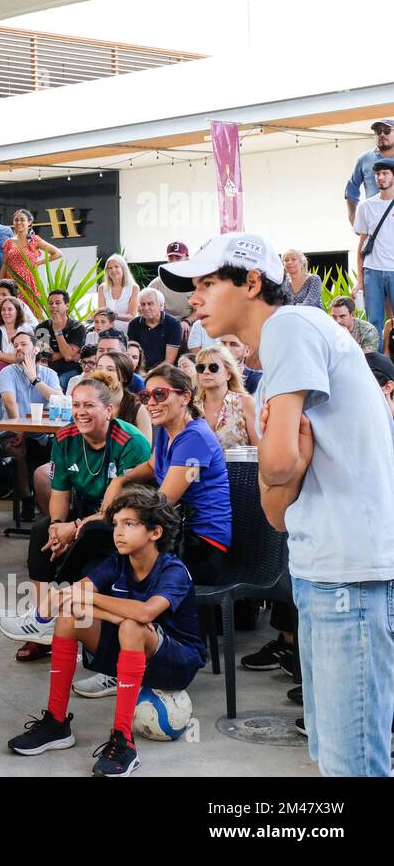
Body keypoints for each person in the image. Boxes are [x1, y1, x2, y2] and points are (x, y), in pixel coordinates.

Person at [162, 231, 394, 776]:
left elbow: (281, 464)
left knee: (352, 762)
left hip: (350, 574)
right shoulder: (275, 370)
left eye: (208, 283)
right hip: (322, 571)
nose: (195, 298)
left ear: (251, 282)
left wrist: (282, 465)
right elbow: (276, 509)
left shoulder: (291, 326)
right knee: (331, 755)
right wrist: (281, 466)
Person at [7, 486, 205, 777]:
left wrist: (90, 602)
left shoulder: (173, 570)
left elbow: (144, 613)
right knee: (71, 617)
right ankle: (56, 723)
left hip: (176, 663)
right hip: (130, 651)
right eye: (116, 524)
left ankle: (123, 741)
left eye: (129, 524)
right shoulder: (117, 561)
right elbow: (73, 595)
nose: (118, 532)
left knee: (132, 625)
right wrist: (66, 601)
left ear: (155, 532)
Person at [0, 374, 152, 661]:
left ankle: (49, 614)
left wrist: (75, 528)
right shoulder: (65, 437)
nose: (80, 412)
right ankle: (42, 625)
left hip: (126, 521)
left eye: (89, 405)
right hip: (85, 514)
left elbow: (122, 510)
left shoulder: (131, 442)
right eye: (76, 405)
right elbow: (60, 493)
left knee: (91, 535)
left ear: (109, 410)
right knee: (42, 529)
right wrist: (58, 527)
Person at [117, 364, 233, 586]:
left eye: (160, 394)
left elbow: (163, 501)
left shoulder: (195, 438)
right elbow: (151, 466)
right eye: (146, 396)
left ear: (185, 397)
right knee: (101, 541)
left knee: (105, 542)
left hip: (201, 545)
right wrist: (121, 479)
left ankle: (77, 599)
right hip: (175, 533)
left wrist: (108, 514)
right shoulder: (166, 430)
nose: (151, 402)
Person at [0, 330, 62, 520]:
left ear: (36, 349)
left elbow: (59, 400)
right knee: (17, 448)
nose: (18, 348)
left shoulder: (49, 373)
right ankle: (26, 498)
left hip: (43, 432)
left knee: (60, 447)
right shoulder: (7, 372)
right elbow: (10, 403)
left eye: (23, 344)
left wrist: (34, 378)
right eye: (15, 345)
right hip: (14, 428)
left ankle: (55, 502)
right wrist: (21, 431)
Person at [354, 157, 394, 337]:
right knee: (373, 322)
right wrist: (360, 278)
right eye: (377, 174)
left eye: (385, 173)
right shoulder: (366, 206)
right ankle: (375, 356)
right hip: (372, 271)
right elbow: (361, 244)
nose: (380, 177)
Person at [194, 344, 259, 449]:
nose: (206, 372)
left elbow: (258, 450)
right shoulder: (191, 407)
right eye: (201, 368)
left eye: (213, 367)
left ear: (228, 374)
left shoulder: (246, 403)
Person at [3, 208, 63, 314]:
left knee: (32, 314)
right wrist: (1, 282)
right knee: (12, 313)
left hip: (28, 283)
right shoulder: (9, 242)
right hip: (12, 283)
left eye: (22, 220)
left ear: (29, 222)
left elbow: (57, 253)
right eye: (16, 220)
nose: (19, 222)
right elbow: (4, 264)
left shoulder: (35, 240)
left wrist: (37, 263)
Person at [345, 118, 394, 227]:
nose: (382, 134)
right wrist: (353, 218)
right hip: (375, 222)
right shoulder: (364, 159)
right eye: (378, 132)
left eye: (387, 131)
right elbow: (352, 189)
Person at [34, 288, 87, 388]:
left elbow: (68, 356)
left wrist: (58, 331)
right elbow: (45, 357)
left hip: (70, 370)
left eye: (58, 303)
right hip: (47, 369)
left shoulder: (77, 327)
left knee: (60, 382)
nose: (53, 306)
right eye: (50, 303)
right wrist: (70, 353)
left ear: (67, 306)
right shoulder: (42, 328)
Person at [146, 241, 196, 342]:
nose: (173, 261)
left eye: (178, 258)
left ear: (187, 259)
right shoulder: (156, 284)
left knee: (189, 332)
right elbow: (144, 307)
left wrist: (187, 321)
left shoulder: (195, 282)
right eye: (170, 258)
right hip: (163, 324)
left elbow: (201, 309)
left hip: (187, 324)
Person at [127, 289, 182, 369]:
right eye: (142, 304)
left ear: (161, 306)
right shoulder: (134, 324)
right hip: (139, 370)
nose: (146, 308)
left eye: (150, 304)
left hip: (164, 371)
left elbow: (169, 361)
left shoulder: (173, 324)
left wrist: (150, 374)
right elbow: (131, 354)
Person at [0, 296, 34, 375]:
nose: (6, 312)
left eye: (10, 309)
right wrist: (12, 358)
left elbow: (25, 358)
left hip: (20, 374)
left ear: (17, 311)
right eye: (3, 309)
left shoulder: (26, 329)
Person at [95, 254, 140, 323]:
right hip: (107, 326)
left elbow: (131, 316)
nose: (113, 270)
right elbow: (102, 313)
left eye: (116, 266)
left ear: (123, 269)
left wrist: (115, 316)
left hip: (127, 326)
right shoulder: (102, 288)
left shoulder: (134, 288)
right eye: (110, 268)